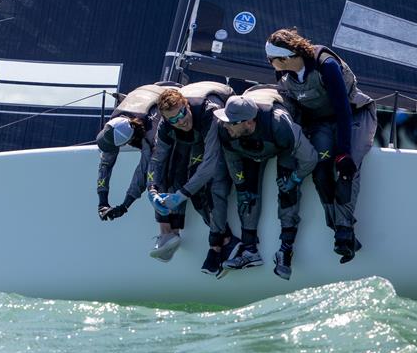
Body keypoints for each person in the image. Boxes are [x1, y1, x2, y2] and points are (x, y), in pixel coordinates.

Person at [266, 28, 377, 263]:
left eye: (271, 59)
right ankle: (340, 231)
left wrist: (344, 151)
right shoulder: (284, 74)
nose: (270, 63)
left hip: (353, 116)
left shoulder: (326, 65)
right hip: (321, 122)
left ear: (286, 58)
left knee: (347, 168)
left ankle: (345, 231)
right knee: (321, 171)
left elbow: (343, 109)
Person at [216, 87, 318, 280]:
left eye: (230, 123)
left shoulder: (280, 124)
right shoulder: (226, 130)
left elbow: (310, 158)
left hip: (282, 145)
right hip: (250, 149)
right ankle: (249, 251)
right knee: (247, 195)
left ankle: (285, 251)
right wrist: (240, 186)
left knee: (287, 188)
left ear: (248, 122)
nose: (225, 125)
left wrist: (296, 178)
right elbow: (232, 160)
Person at [146, 82, 242, 276]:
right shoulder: (167, 126)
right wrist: (152, 190)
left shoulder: (208, 113)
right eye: (173, 120)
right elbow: (157, 160)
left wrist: (181, 195)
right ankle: (173, 233)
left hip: (220, 134)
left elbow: (210, 164)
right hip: (193, 139)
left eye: (182, 114)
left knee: (212, 184)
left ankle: (224, 242)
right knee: (173, 172)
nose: (180, 121)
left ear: (187, 105)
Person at [95, 83, 173, 223]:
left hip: (172, 97)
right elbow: (105, 164)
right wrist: (102, 202)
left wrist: (125, 205)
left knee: (159, 176)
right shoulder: (115, 123)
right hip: (150, 90)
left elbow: (143, 172)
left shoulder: (150, 134)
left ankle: (169, 227)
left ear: (128, 141)